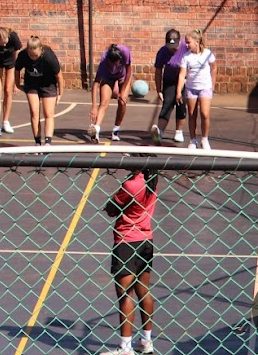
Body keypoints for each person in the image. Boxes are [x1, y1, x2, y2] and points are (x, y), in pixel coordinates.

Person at [99, 167, 159, 355]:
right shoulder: (152, 180)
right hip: (146, 240)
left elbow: (112, 209)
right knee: (144, 291)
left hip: (127, 242)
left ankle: (125, 347)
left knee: (125, 294)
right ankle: (146, 341)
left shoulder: (131, 185)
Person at [172, 30, 216, 151]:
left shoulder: (208, 54)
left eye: (188, 42)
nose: (186, 45)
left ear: (197, 42)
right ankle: (193, 140)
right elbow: (182, 75)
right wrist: (178, 91)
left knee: (205, 114)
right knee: (192, 115)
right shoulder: (186, 57)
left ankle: (205, 139)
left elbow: (214, 68)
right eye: (185, 42)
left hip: (205, 87)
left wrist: (213, 84)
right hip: (191, 89)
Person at [15, 36, 63, 146]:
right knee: (34, 112)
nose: (33, 58)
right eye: (30, 55)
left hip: (48, 84)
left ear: (41, 50)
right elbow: (17, 70)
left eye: (35, 55)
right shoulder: (23, 55)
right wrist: (17, 84)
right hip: (32, 84)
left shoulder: (49, 56)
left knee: (48, 113)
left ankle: (48, 142)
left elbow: (59, 76)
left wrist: (60, 93)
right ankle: (37, 142)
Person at [90, 43, 133, 143]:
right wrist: (94, 106)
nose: (114, 66)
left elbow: (129, 71)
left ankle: (115, 131)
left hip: (123, 77)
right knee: (104, 102)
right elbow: (96, 83)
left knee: (122, 102)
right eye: (111, 64)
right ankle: (96, 130)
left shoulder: (125, 52)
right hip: (108, 78)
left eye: (116, 64)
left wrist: (122, 92)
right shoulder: (104, 63)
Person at [151, 29, 186, 145]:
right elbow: (158, 71)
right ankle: (159, 133)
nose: (173, 48)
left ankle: (179, 131)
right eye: (170, 46)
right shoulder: (162, 52)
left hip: (185, 80)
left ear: (179, 41)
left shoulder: (186, 48)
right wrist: (159, 90)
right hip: (169, 81)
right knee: (167, 104)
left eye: (175, 45)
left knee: (181, 104)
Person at [0, 27, 23, 137]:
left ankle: (5, 121)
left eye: (6, 42)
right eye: (2, 43)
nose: (4, 45)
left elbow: (18, 57)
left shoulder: (14, 37)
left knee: (8, 90)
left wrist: (17, 82)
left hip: (12, 63)